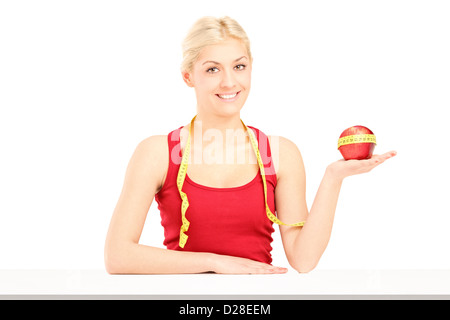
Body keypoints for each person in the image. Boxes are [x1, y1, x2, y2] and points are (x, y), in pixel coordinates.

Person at [104, 16, 396, 274]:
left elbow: (303, 260)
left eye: (239, 66)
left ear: (251, 68)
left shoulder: (280, 154)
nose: (229, 82)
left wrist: (334, 178)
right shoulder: (157, 153)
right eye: (212, 69)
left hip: (260, 303)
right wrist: (216, 262)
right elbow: (117, 256)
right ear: (188, 76)